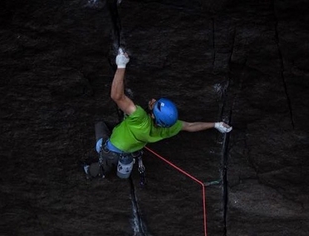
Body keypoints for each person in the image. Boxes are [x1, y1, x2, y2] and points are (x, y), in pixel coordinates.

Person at [84, 48, 232, 179]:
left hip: (110, 152)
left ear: (153, 115)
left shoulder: (139, 118)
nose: (153, 101)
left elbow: (117, 96)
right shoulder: (168, 129)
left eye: (154, 105)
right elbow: (190, 125)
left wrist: (121, 64)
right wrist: (216, 124)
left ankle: (88, 172)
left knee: (100, 129)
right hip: (127, 150)